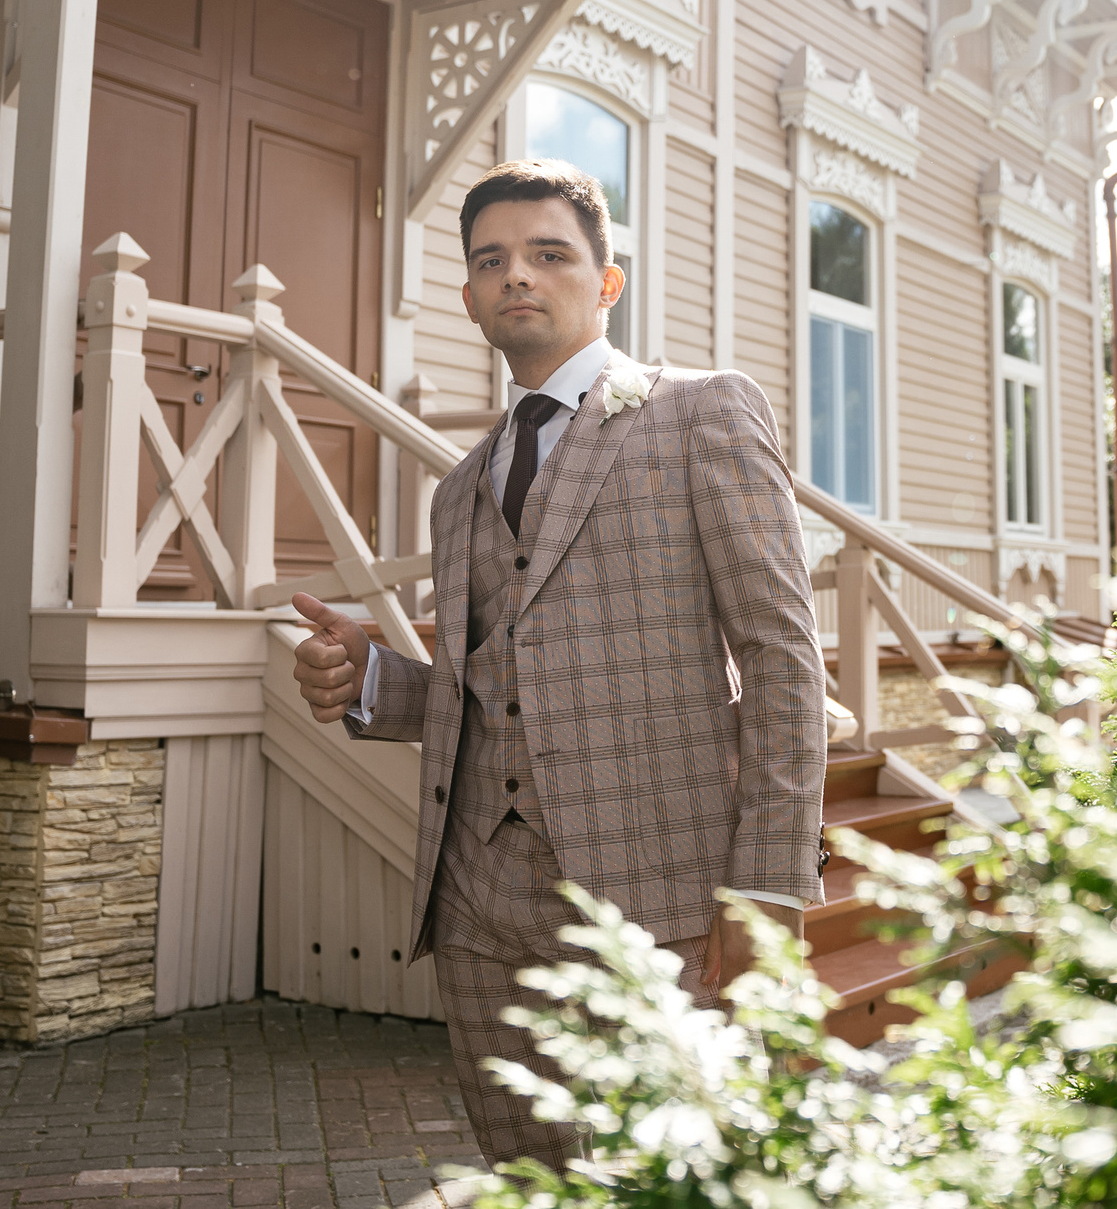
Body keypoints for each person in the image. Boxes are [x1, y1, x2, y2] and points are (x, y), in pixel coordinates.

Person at [287, 157, 826, 1172]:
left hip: (660, 894)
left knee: (683, 1176)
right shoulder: (458, 489)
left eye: (548, 255)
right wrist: (368, 677)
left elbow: (782, 655)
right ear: (469, 297)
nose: (517, 277)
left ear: (606, 281)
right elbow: (488, 691)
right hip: (477, 899)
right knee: (529, 1174)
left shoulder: (699, 412)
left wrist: (767, 886)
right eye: (491, 261)